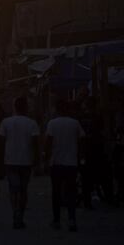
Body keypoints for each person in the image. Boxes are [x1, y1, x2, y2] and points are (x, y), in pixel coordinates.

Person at [0, 97, 40, 229]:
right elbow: (35, 143)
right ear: (26, 108)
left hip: (10, 160)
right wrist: (37, 159)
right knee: (23, 189)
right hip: (26, 160)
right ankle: (20, 215)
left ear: (14, 107)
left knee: (13, 189)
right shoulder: (32, 123)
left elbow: (1, 142)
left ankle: (15, 212)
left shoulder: (6, 122)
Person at [46, 99, 85, 232]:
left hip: (56, 163)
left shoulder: (52, 123)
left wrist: (46, 159)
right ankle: (72, 220)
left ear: (57, 109)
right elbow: (81, 142)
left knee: (56, 192)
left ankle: (56, 220)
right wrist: (80, 158)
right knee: (71, 192)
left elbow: (49, 143)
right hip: (71, 163)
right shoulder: (75, 123)